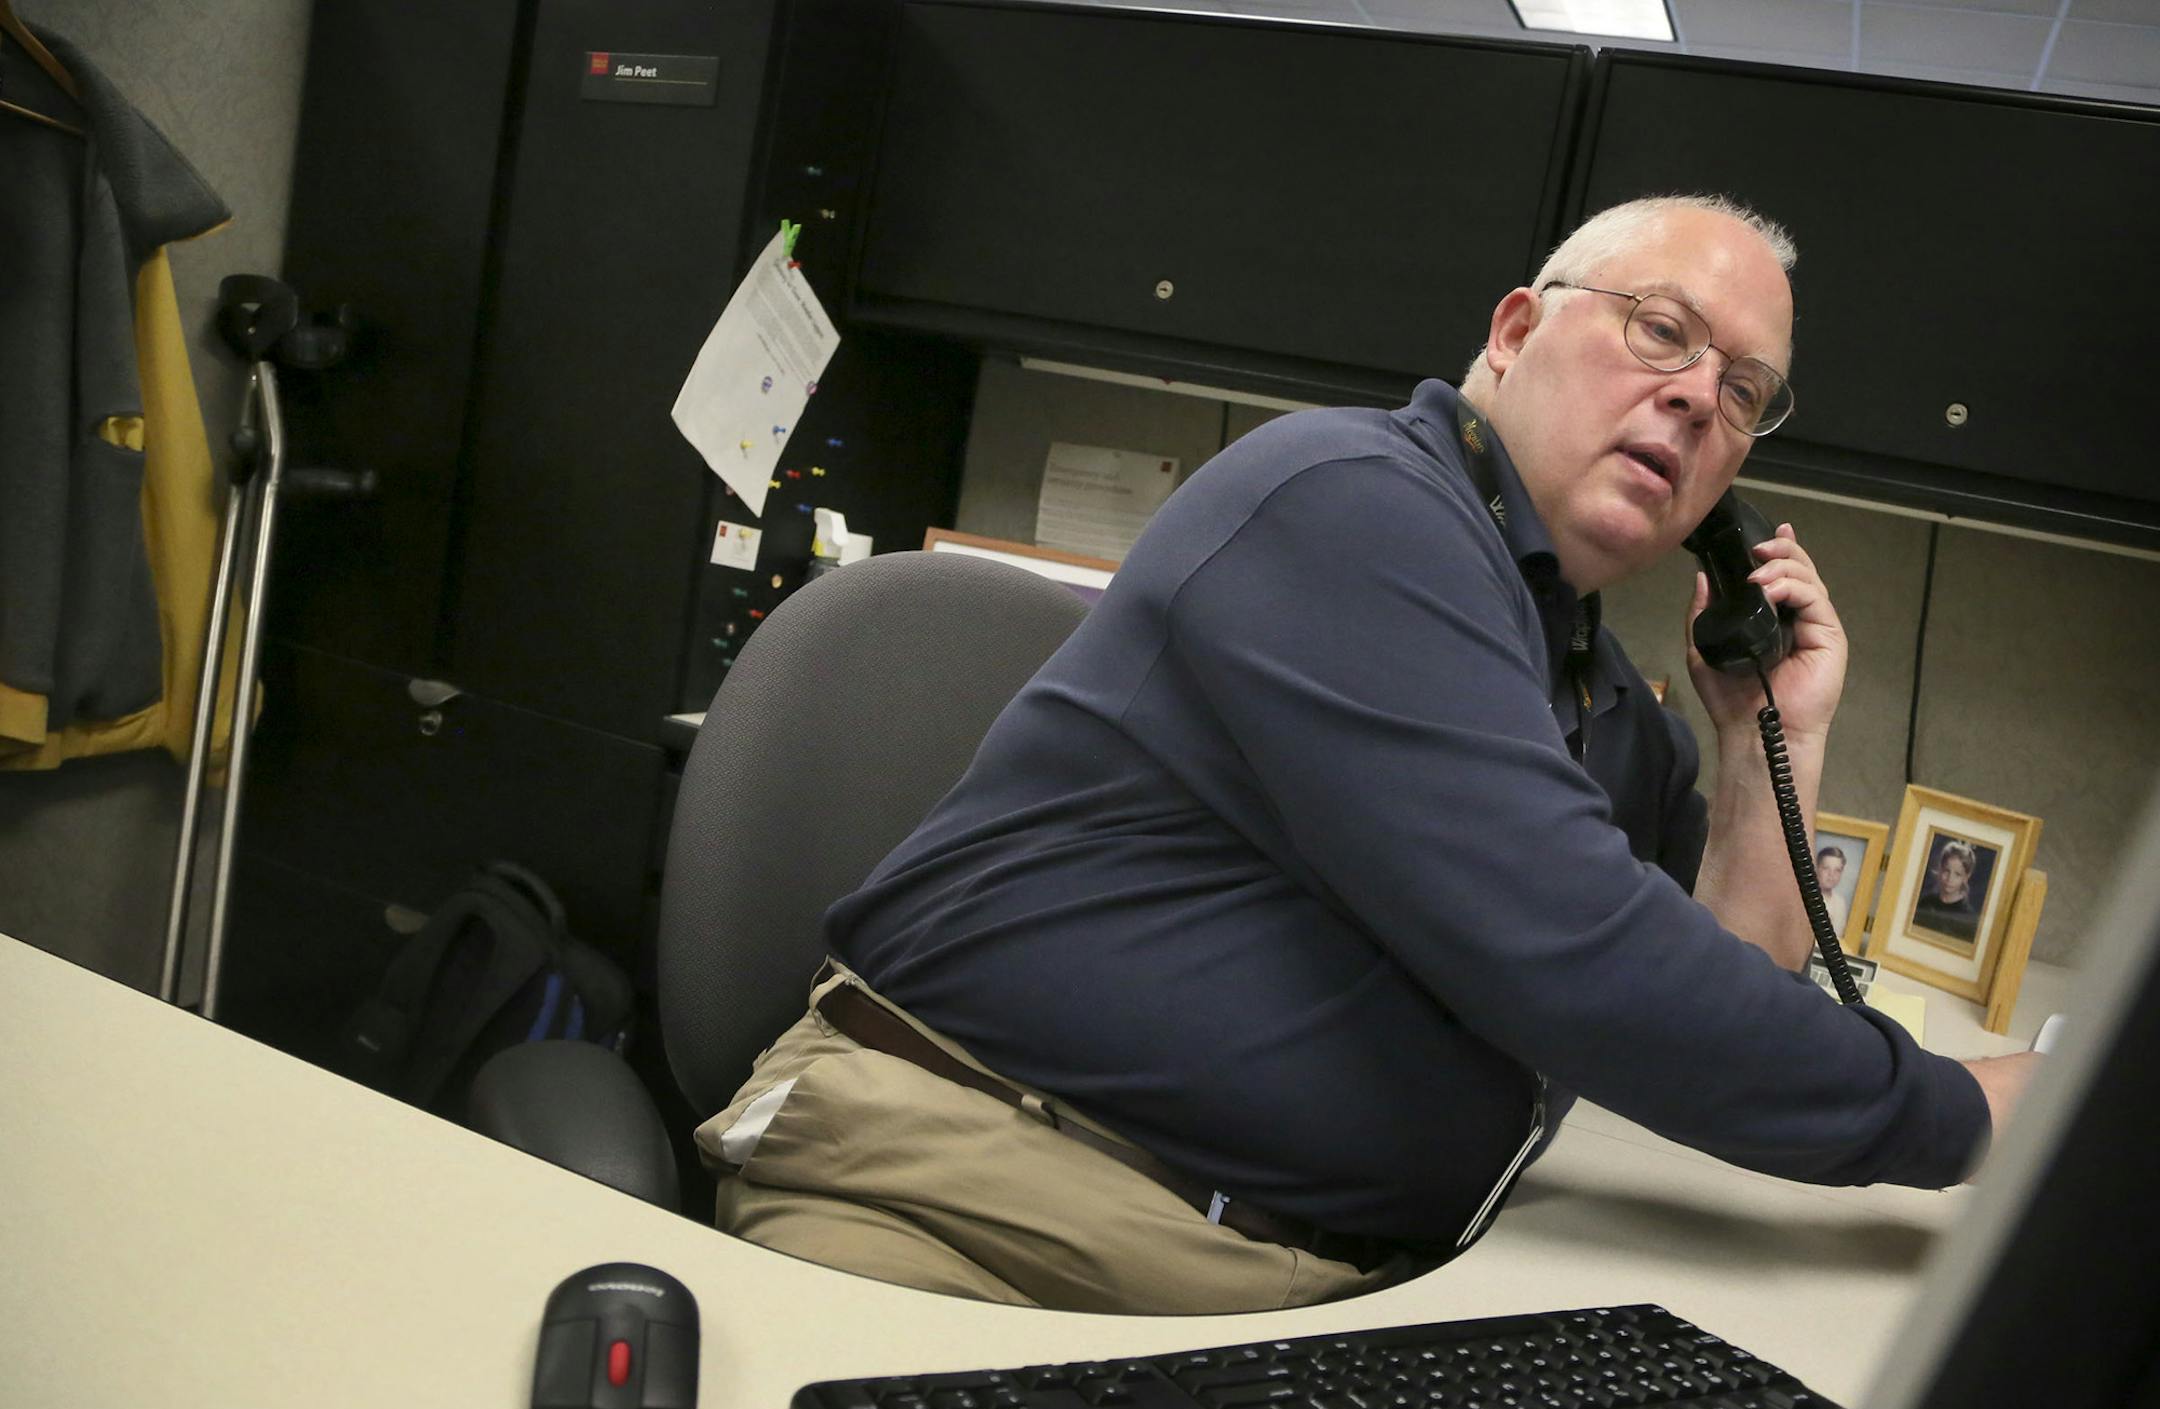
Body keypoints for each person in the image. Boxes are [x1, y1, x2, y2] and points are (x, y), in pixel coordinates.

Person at [695, 194, 2039, 1314]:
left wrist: (1767, 737)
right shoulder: (1353, 507)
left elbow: (1704, 1009)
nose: (1696, 396)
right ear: (1516, 332)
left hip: (1303, 1283)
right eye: (1660, 330)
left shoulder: (1599, 690)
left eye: (1742, 391)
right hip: (973, 1200)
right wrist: (1971, 1110)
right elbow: (1591, 960)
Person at [1911, 839, 1983, 944]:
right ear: (1940, 869)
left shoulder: (1967, 918)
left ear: (1966, 877)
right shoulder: (1925, 903)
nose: (1950, 878)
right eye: (1946, 871)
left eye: (1957, 874)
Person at [1815, 844, 1851, 936]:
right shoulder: (1803, 897)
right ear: (1816, 868)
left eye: (1837, 870)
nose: (1831, 874)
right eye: (1826, 868)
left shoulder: (1840, 903)